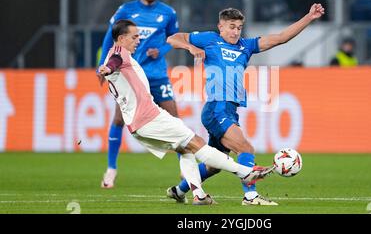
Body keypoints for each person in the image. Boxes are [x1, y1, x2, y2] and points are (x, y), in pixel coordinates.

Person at [98, 19, 273, 205]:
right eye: (134, 37)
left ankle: (197, 194)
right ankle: (245, 171)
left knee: (185, 149)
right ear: (121, 38)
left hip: (138, 125)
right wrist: (107, 68)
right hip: (149, 118)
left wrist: (108, 67)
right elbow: (114, 63)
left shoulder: (118, 55)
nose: (138, 41)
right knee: (196, 143)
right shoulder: (118, 53)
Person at [166, 3, 325, 205]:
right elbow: (173, 38)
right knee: (245, 148)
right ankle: (250, 196)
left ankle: (179, 190)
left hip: (230, 110)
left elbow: (280, 38)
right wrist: (191, 47)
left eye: (239, 27)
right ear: (220, 26)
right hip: (216, 108)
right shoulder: (209, 39)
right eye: (231, 27)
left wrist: (308, 17)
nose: (235, 31)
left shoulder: (245, 46)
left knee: (214, 165)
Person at [97, 0, 180, 188]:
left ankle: (184, 170)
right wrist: (104, 65)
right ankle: (111, 170)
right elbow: (110, 38)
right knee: (118, 120)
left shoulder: (168, 13)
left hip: (157, 75)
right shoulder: (126, 10)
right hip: (128, 74)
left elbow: (174, 39)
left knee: (174, 118)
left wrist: (160, 50)